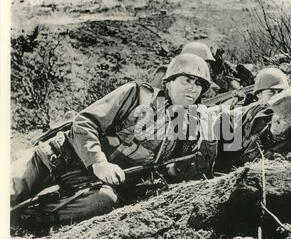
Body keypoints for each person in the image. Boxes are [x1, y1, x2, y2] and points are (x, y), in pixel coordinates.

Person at [11, 53, 217, 227]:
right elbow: (84, 122)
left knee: (104, 202)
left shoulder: (184, 127)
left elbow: (177, 174)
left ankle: (24, 219)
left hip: (86, 184)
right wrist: (99, 162)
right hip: (57, 157)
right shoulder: (136, 94)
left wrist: (206, 136)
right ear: (170, 81)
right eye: (187, 80)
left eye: (199, 84)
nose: (193, 88)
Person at [214, 86, 291, 171]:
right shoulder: (260, 116)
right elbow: (226, 118)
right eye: (278, 112)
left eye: (286, 120)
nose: (277, 120)